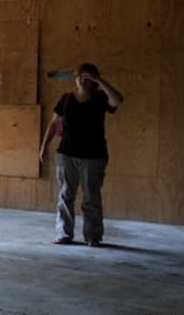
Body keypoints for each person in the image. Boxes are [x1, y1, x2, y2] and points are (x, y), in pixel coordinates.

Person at [39, 63, 123, 246]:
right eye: (79, 77)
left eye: (86, 77)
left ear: (93, 80)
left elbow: (117, 101)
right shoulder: (66, 99)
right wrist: (44, 145)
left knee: (91, 196)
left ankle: (93, 235)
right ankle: (64, 233)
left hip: (93, 156)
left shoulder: (101, 98)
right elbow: (54, 124)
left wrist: (99, 80)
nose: (81, 80)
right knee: (65, 194)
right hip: (66, 154)